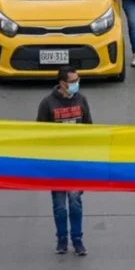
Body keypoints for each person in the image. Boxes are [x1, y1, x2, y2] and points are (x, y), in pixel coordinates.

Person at [36, 66, 92, 256]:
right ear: (62, 84)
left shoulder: (82, 99)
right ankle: (61, 239)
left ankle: (78, 240)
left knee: (75, 202)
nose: (76, 84)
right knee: (60, 205)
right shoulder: (47, 103)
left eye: (77, 80)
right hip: (57, 163)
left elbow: (90, 128)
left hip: (76, 162)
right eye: (72, 81)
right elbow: (39, 134)